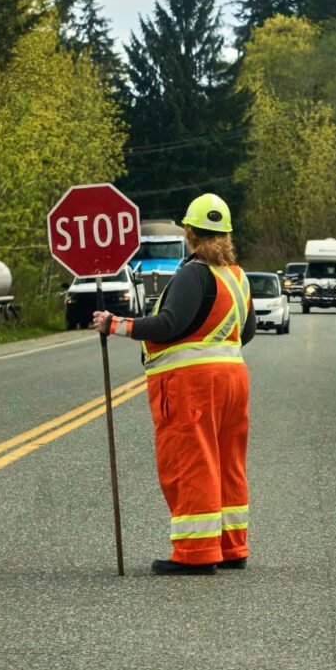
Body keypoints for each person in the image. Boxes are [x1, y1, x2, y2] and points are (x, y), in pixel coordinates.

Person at [91, 193, 256, 575]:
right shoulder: (237, 276)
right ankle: (232, 545)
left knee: (192, 462)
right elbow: (246, 331)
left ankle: (196, 554)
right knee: (228, 460)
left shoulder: (193, 273)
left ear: (190, 233)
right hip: (234, 379)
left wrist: (117, 325)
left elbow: (169, 323)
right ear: (226, 235)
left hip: (193, 385)